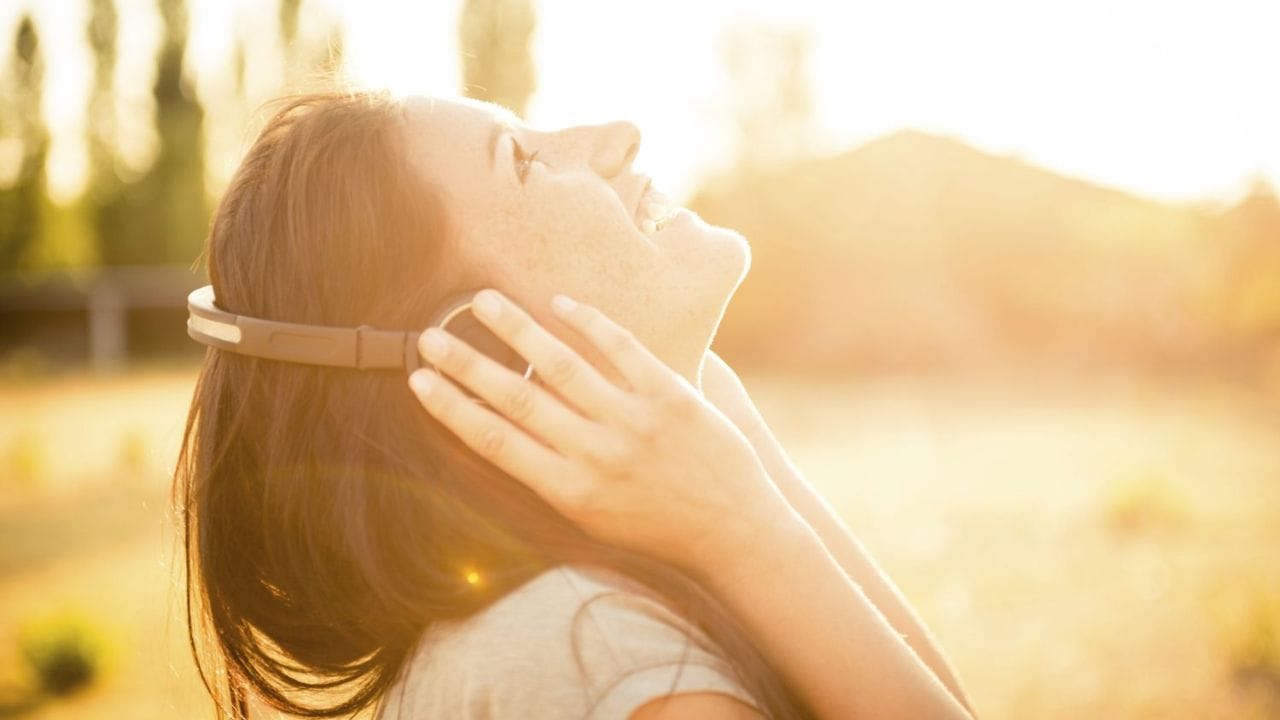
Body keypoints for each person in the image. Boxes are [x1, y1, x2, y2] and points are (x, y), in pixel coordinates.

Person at [174, 87, 977, 720]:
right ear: (481, 352)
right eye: (523, 160)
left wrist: (701, 400)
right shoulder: (593, 654)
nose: (619, 134)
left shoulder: (578, 621)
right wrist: (740, 529)